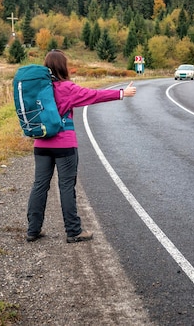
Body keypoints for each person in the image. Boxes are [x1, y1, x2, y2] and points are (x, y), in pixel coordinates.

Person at [26, 49, 137, 243]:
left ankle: (33, 230)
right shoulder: (67, 88)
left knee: (39, 185)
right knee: (66, 186)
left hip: (41, 143)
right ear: (63, 66)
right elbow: (94, 95)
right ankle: (73, 231)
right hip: (64, 145)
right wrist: (122, 93)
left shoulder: (37, 90)